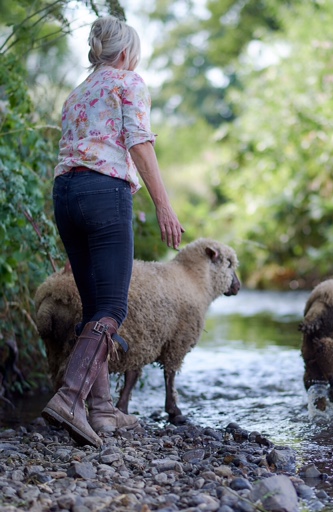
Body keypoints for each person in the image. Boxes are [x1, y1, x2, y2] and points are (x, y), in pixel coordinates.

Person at [41, 16, 184, 447]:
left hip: (66, 195)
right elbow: (139, 141)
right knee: (112, 309)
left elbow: (72, 153)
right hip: (104, 194)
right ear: (125, 54)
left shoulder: (77, 93)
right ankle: (70, 399)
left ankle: (101, 410)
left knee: (92, 308)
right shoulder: (129, 81)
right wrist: (164, 205)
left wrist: (76, 237)